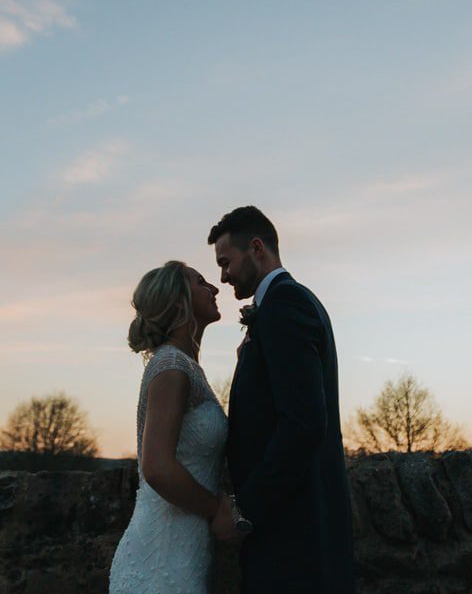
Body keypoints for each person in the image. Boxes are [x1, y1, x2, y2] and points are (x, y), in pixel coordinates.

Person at [209, 206, 356, 593]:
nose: (222, 276)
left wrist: (245, 511)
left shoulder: (284, 306)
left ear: (256, 248)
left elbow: (304, 423)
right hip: (292, 528)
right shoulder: (284, 304)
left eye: (226, 262)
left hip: (294, 532)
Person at [110, 260, 233, 594]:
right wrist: (217, 509)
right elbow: (158, 467)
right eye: (201, 282)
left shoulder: (186, 366)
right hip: (159, 562)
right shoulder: (171, 366)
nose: (214, 288)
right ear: (180, 302)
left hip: (184, 554)